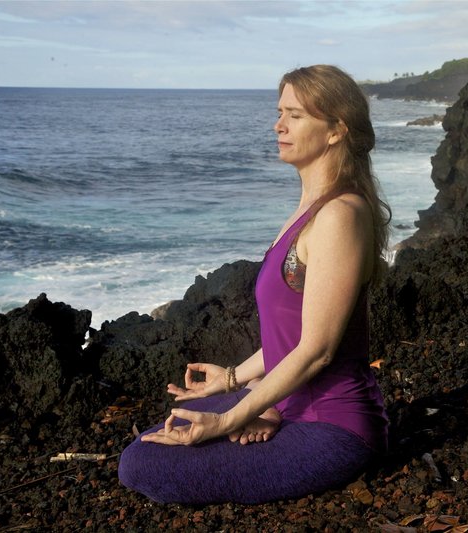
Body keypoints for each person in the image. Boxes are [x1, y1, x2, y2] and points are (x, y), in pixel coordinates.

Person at [118, 64, 391, 505]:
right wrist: (232, 380)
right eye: (279, 111)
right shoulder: (311, 209)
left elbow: (317, 349)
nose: (278, 125)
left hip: (332, 427)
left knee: (143, 465)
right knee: (155, 438)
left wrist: (228, 420)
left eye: (295, 115)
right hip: (287, 406)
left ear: (337, 130)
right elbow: (294, 332)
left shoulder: (340, 215)